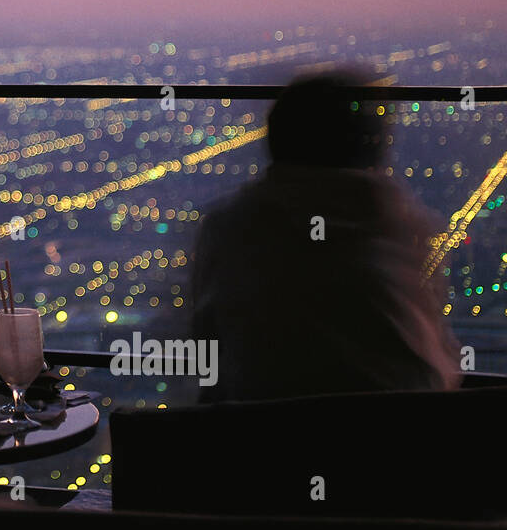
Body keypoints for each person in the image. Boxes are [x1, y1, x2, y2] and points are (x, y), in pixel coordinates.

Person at [190, 70, 461, 402]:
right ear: (367, 144)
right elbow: (438, 364)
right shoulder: (405, 226)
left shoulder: (229, 226)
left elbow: (208, 353)